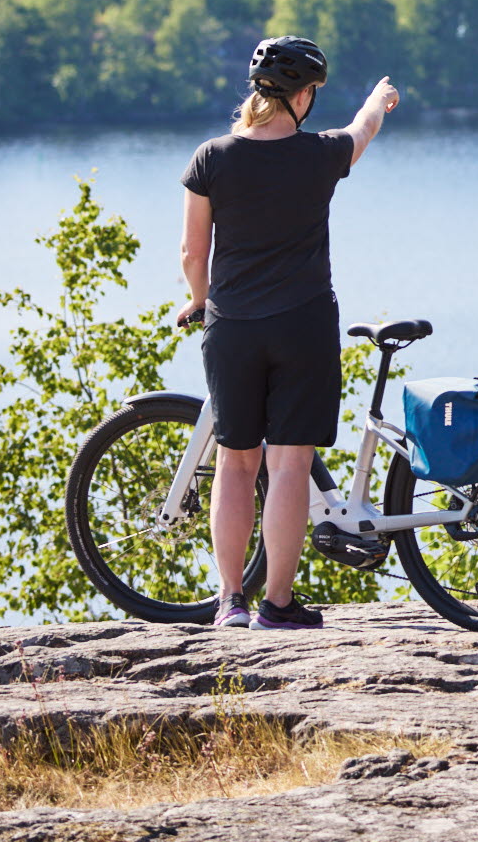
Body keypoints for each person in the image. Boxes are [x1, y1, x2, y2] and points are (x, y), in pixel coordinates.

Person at [180, 36, 399, 630]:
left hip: (232, 330)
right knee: (289, 467)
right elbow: (365, 129)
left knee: (235, 465)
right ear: (302, 97)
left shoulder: (212, 158)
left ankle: (230, 601)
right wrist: (379, 98)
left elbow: (191, 252)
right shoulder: (320, 155)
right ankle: (278, 604)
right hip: (302, 325)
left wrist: (200, 302)